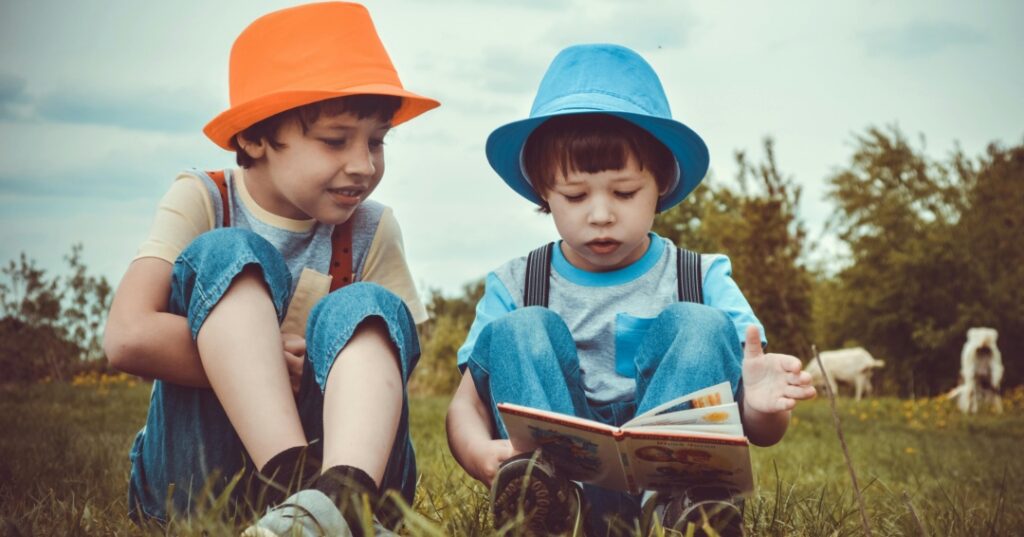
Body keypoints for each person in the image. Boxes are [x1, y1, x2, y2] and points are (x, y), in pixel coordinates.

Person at [445, 44, 816, 536]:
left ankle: (684, 510)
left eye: (624, 192)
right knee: (520, 329)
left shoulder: (700, 277)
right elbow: (466, 405)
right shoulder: (515, 284)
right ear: (543, 191)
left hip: (671, 482)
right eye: (575, 195)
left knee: (700, 323)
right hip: (560, 483)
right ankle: (547, 507)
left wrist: (760, 409)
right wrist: (477, 452)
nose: (601, 214)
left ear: (661, 184)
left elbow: (761, 430)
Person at [103, 3, 439, 535]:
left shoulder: (372, 227)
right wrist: (259, 361)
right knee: (228, 253)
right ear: (254, 137)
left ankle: (343, 499)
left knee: (368, 309)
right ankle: (298, 487)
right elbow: (127, 336)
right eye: (335, 140)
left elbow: (388, 368)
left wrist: (323, 369)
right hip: (200, 479)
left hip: (345, 463)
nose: (364, 164)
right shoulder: (204, 198)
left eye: (377, 141)